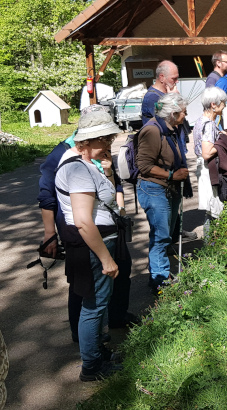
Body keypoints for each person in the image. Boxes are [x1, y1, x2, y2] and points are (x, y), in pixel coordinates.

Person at [38, 105, 138, 342]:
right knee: (84, 285)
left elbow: (114, 187)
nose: (108, 144)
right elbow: (46, 195)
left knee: (119, 270)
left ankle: (115, 317)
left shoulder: (98, 149)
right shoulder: (63, 155)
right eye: (105, 138)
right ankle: (81, 335)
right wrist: (49, 233)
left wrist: (113, 183)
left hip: (107, 224)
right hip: (79, 227)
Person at [54, 110, 123, 381]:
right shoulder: (76, 168)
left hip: (98, 245)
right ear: (86, 140)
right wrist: (106, 258)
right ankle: (92, 367)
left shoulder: (86, 165)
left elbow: (107, 201)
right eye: (104, 139)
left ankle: (98, 354)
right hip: (94, 249)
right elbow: (83, 221)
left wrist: (106, 171)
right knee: (93, 308)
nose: (108, 144)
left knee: (98, 304)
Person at [136, 93, 191, 293]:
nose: (185, 115)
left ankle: (158, 274)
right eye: (183, 112)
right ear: (173, 113)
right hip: (153, 188)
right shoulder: (152, 130)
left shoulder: (170, 128)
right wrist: (171, 175)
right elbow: (143, 166)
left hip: (168, 188)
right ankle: (161, 282)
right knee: (161, 236)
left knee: (165, 235)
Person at [193, 87, 227, 224]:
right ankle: (212, 244)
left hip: (205, 168)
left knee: (212, 209)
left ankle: (212, 243)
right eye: (222, 102)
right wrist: (223, 143)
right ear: (213, 104)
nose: (224, 105)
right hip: (209, 169)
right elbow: (207, 152)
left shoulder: (200, 121)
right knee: (214, 210)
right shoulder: (208, 124)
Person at [141, 60, 179, 125]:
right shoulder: (153, 97)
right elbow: (167, 122)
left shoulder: (166, 93)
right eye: (174, 78)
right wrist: (173, 99)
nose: (177, 81)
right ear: (161, 78)